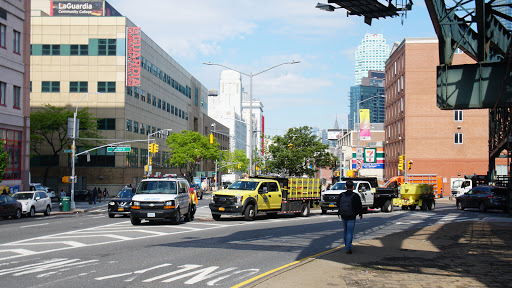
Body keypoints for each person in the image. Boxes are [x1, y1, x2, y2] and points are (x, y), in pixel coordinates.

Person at [336, 180, 363, 254]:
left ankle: (346, 245)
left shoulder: (341, 195)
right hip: (352, 216)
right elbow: (359, 206)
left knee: (345, 230)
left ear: (346, 186)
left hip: (343, 215)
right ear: (353, 187)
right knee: (350, 232)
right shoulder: (355, 195)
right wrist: (360, 214)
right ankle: (348, 248)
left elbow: (337, 203)